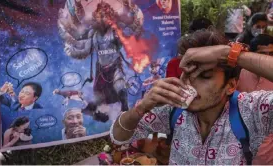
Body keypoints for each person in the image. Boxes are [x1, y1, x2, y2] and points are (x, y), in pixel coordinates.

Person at [110, 29, 273, 164]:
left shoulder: (251, 111)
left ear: (230, 86)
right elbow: (118, 137)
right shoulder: (173, 109)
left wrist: (232, 54)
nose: (190, 84)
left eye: (205, 76)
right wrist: (141, 108)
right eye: (187, 74)